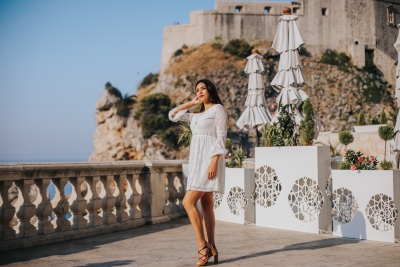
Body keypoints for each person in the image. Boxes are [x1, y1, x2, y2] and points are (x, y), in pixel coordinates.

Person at [169, 79, 227, 266]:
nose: (200, 91)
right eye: (197, 90)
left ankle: (202, 248)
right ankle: (212, 246)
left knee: (188, 202)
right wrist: (193, 103)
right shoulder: (196, 115)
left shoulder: (218, 109)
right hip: (196, 162)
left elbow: (221, 137)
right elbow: (173, 115)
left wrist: (214, 162)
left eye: (203, 88)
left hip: (209, 160)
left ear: (211, 90)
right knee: (207, 204)